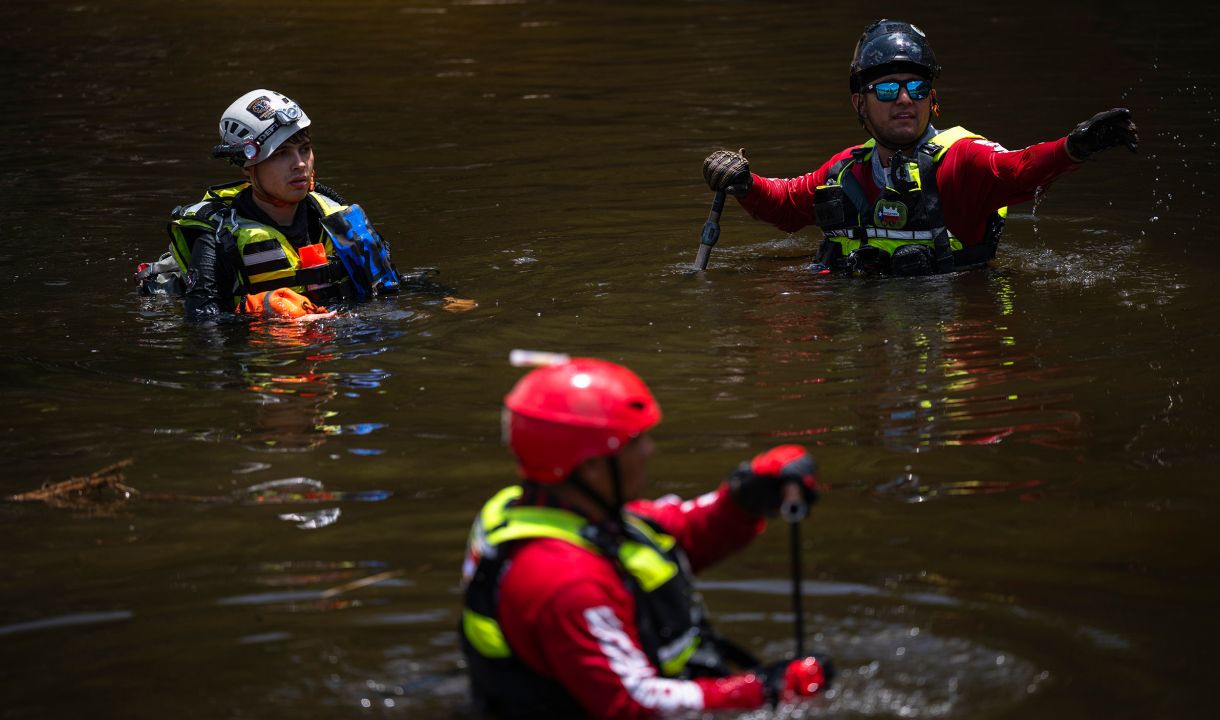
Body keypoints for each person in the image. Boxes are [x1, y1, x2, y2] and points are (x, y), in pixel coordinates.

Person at [460, 355, 831, 718]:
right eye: (634, 441)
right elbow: (632, 703)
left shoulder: (554, 508)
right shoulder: (565, 581)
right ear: (590, 467)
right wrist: (765, 688)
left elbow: (677, 533)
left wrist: (745, 499)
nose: (649, 449)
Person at [702, 19, 1140, 277]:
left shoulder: (964, 160)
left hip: (950, 328)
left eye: (917, 87)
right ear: (860, 102)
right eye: (888, 88)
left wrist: (1074, 147)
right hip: (866, 337)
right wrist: (743, 182)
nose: (905, 98)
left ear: (933, 98)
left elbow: (1021, 169)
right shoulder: (844, 172)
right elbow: (785, 204)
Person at [144, 88, 400, 320]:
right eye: (280, 154)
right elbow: (202, 321)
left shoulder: (335, 216)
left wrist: (439, 298)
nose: (300, 163)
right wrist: (258, 310)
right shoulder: (218, 236)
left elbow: (390, 289)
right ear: (248, 167)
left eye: (304, 149)